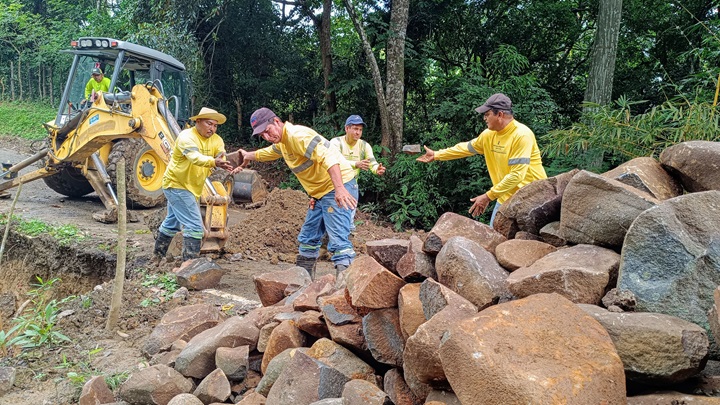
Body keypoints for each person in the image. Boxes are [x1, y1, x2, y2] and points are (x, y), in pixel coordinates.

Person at [239, 107, 358, 278]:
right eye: (262, 135)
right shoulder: (282, 142)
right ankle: (303, 286)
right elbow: (270, 152)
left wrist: (340, 189)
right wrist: (248, 156)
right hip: (320, 193)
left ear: (277, 122)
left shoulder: (297, 136)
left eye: (268, 131)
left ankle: (345, 293)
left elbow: (329, 157)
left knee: (339, 241)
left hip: (338, 186)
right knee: (308, 239)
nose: (266, 137)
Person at [417, 93, 547, 226]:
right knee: (494, 241)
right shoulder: (488, 135)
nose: (484, 118)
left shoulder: (521, 135)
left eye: (487, 114)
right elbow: (465, 148)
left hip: (533, 199)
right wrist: (437, 155)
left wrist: (488, 196)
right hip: (505, 199)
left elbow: (517, 175)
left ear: (500, 115)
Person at [153, 107, 237, 262]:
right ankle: (189, 267)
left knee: (172, 222)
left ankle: (157, 257)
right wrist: (213, 161)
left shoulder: (217, 140)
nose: (212, 128)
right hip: (177, 185)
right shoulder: (187, 137)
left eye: (215, 125)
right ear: (198, 121)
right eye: (209, 124)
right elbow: (194, 157)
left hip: (192, 188)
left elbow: (220, 154)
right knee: (195, 228)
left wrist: (225, 161)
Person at [329, 115, 386, 230]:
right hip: (334, 184)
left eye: (360, 130)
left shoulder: (364, 145)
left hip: (352, 184)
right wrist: (355, 164)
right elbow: (333, 161)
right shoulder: (336, 142)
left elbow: (371, 162)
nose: (358, 132)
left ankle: (348, 235)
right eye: (355, 129)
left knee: (349, 215)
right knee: (332, 213)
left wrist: (377, 169)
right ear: (346, 129)